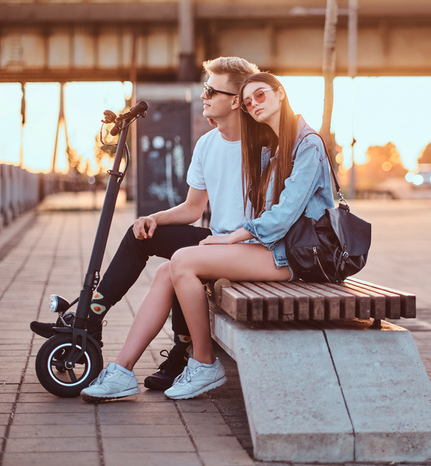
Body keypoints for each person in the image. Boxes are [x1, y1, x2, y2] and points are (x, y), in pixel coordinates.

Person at [80, 71, 335, 402]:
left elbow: (283, 217)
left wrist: (228, 239)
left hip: (290, 256)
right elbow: (200, 206)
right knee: (166, 270)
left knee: (183, 261)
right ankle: (123, 370)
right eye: (248, 101)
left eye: (260, 96)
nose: (254, 104)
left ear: (280, 93)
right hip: (263, 248)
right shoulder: (271, 143)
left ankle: (202, 361)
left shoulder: (306, 143)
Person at [30, 56, 260, 390]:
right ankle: (94, 317)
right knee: (141, 234)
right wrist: (152, 218)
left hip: (248, 247)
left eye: (211, 90)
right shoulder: (207, 144)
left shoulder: (263, 146)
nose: (203, 96)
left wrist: (229, 240)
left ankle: (184, 353)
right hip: (216, 240)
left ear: (236, 101)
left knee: (176, 267)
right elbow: (194, 207)